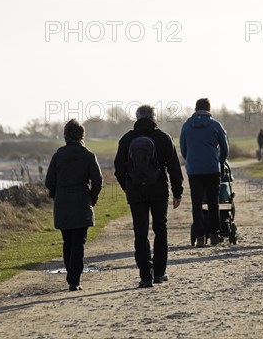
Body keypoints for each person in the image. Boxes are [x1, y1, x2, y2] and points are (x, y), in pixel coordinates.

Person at [114, 105, 183, 288]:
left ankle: (145, 276)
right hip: (159, 190)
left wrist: (127, 187)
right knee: (160, 229)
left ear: (137, 118)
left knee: (140, 231)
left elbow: (119, 168)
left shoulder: (127, 139)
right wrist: (178, 192)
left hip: (136, 192)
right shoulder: (163, 138)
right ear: (154, 118)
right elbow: (174, 167)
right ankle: (159, 274)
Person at [45, 119, 103, 291]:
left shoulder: (58, 156)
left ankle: (72, 276)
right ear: (81, 136)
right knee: (79, 243)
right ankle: (74, 280)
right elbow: (98, 181)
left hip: (63, 203)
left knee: (67, 241)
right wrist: (92, 198)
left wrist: (57, 195)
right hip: (81, 202)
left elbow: (49, 181)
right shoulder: (88, 155)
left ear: (65, 136)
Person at [180, 98, 229, 248]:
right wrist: (219, 162)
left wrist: (191, 160)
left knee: (197, 203)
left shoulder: (187, 125)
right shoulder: (215, 125)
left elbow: (183, 148)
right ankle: (214, 235)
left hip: (194, 170)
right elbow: (225, 148)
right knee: (213, 202)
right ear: (209, 109)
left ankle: (200, 236)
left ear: (195, 109)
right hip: (212, 169)